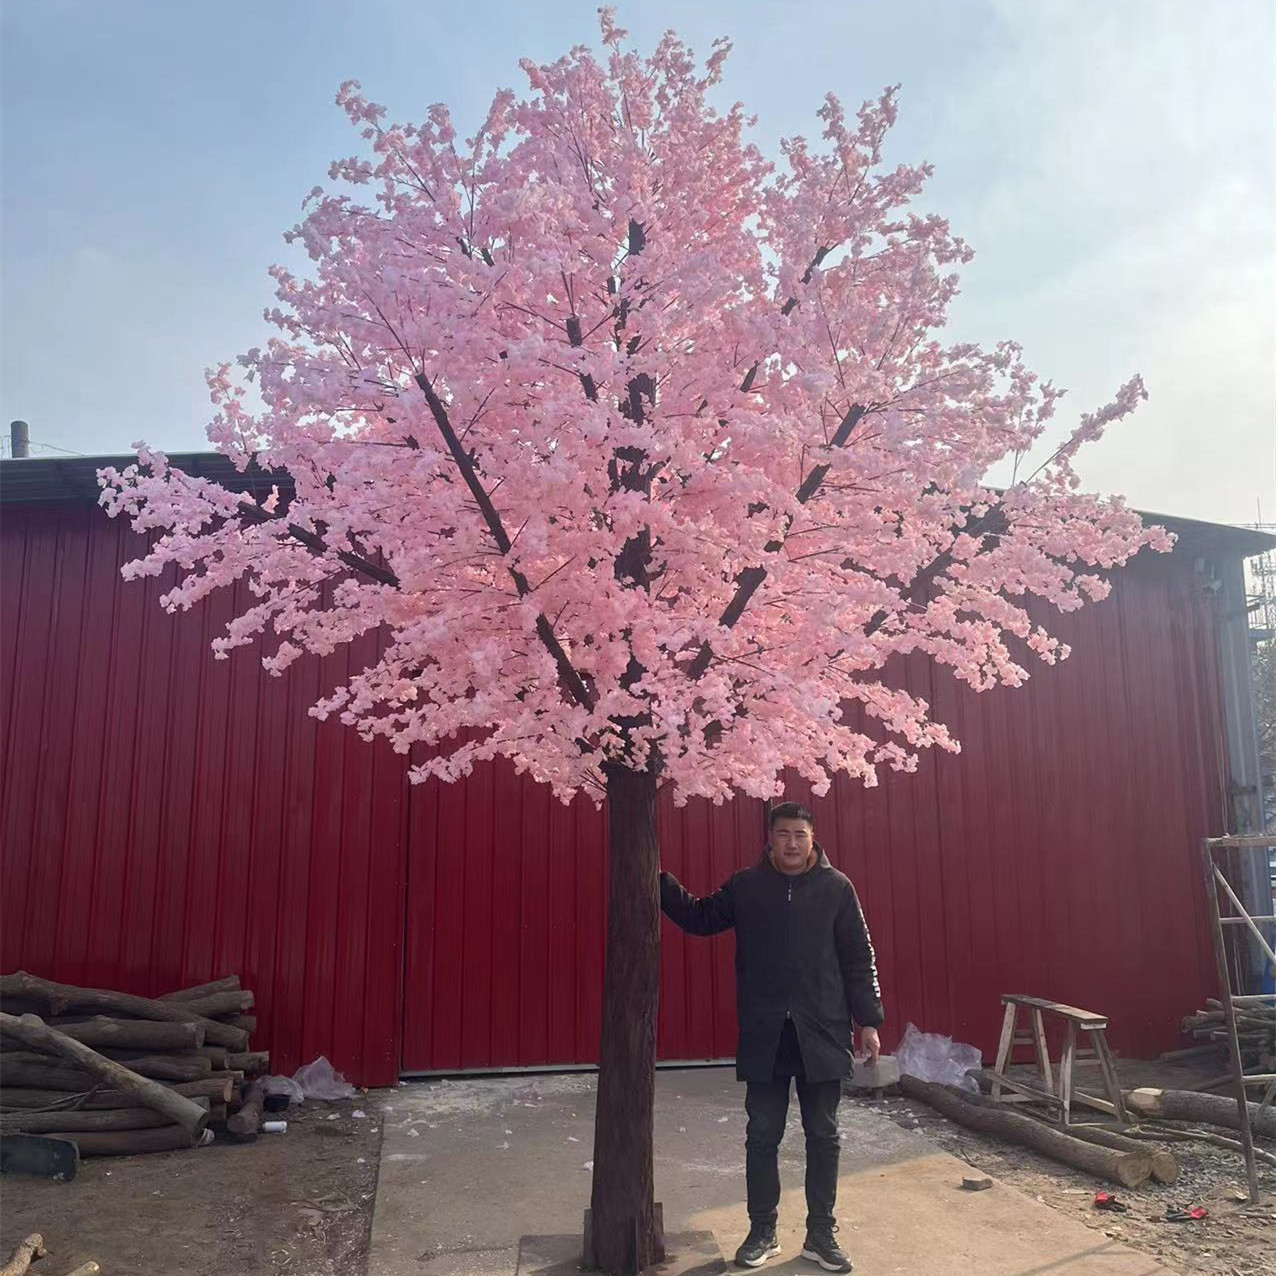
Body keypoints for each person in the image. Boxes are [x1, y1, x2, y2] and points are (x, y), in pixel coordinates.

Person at [659, 802, 883, 1273]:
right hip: (766, 1033)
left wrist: (869, 1020)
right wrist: (655, 875)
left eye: (800, 834)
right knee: (762, 1135)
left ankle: (821, 1233)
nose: (792, 843)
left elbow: (858, 957)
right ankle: (763, 1230)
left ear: (812, 838)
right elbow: (701, 917)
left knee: (824, 1135)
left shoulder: (837, 889)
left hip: (821, 1031)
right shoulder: (748, 886)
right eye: (783, 834)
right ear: (770, 838)